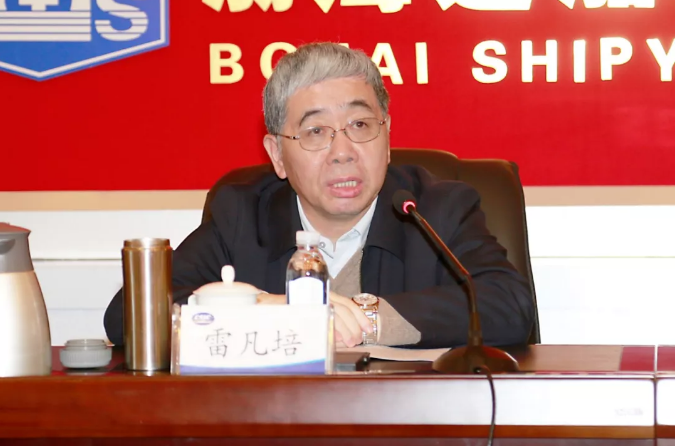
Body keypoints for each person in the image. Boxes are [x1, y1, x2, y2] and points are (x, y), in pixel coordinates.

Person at [104, 42, 534, 349]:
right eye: (315, 132)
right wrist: (264, 309)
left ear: (386, 137)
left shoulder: (437, 208)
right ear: (277, 155)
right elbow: (132, 313)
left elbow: (509, 306)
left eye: (360, 126)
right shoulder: (241, 215)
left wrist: (368, 318)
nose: (343, 152)